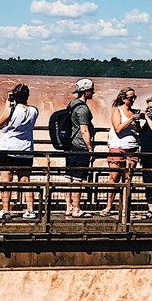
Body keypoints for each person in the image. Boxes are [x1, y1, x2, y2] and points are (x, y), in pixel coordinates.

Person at [0, 83, 38, 219]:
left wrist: (7, 105)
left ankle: (6, 210)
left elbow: (0, 123)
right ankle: (30, 210)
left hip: (8, 149)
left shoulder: (11, 110)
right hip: (26, 149)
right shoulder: (34, 110)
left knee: (6, 180)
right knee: (25, 180)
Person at [103, 87, 140, 216]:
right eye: (131, 98)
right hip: (118, 147)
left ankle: (125, 208)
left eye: (135, 97)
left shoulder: (134, 112)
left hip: (133, 148)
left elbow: (138, 131)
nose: (133, 100)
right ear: (124, 99)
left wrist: (138, 123)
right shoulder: (117, 111)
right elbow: (118, 128)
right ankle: (109, 207)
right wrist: (131, 119)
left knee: (128, 179)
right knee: (114, 178)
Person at [64, 78, 95, 218]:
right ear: (86, 92)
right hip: (80, 146)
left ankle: (68, 207)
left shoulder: (72, 104)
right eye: (92, 90)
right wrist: (90, 149)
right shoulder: (83, 109)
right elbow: (84, 130)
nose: (93, 92)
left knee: (68, 176)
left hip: (70, 145)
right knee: (78, 179)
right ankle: (76, 209)